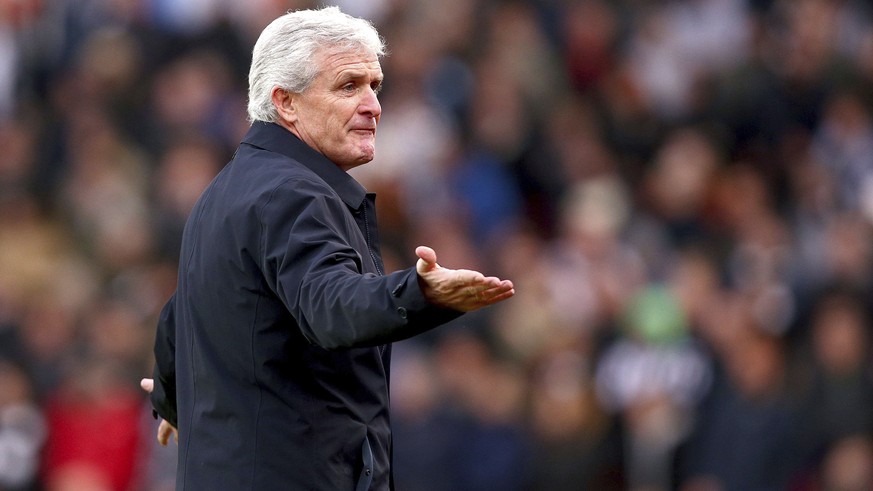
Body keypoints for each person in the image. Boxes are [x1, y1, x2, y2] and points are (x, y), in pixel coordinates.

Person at [139, 6, 514, 491]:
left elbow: (181, 318)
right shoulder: (293, 193)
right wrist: (420, 292)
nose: (373, 105)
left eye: (375, 86)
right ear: (286, 102)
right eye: (348, 86)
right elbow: (331, 305)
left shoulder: (224, 193)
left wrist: (177, 398)